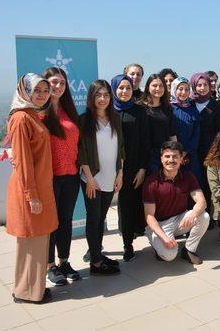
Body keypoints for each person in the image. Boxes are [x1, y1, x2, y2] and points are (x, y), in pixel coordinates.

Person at [5, 73, 58, 303]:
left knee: (38, 241)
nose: (42, 95)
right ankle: (27, 293)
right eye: (37, 90)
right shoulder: (21, 119)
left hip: (39, 188)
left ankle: (32, 288)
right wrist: (31, 195)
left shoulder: (32, 115)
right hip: (30, 191)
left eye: (45, 91)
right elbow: (24, 161)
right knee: (30, 242)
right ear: (25, 91)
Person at [40, 67, 81, 285]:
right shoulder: (39, 113)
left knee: (66, 221)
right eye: (54, 82)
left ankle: (64, 261)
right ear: (45, 84)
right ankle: (49, 266)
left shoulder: (69, 111)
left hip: (71, 176)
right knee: (51, 223)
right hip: (50, 178)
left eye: (62, 83)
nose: (58, 86)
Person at [79, 80, 124, 275]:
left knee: (101, 218)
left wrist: (120, 174)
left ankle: (97, 255)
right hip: (93, 178)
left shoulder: (115, 118)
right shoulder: (84, 120)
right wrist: (89, 178)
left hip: (111, 176)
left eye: (106, 95)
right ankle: (96, 263)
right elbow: (82, 152)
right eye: (98, 95)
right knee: (93, 218)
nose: (102, 99)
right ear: (91, 97)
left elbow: (121, 148)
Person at [142, 141, 209, 264]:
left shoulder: (188, 176)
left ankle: (188, 250)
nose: (171, 160)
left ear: (181, 159)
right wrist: (164, 238)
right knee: (169, 256)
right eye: (167, 156)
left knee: (204, 216)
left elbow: (202, 202)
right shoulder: (151, 182)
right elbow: (149, 216)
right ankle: (158, 245)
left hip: (179, 219)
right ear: (161, 159)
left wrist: (193, 213)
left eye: (175, 156)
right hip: (159, 225)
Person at [111, 75, 150, 262]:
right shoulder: (108, 111)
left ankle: (128, 245)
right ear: (114, 89)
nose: (124, 91)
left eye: (127, 88)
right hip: (109, 168)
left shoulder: (140, 111)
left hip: (133, 167)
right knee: (100, 210)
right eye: (120, 88)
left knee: (128, 206)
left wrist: (142, 168)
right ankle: (95, 249)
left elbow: (145, 141)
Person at [140, 74, 177, 173]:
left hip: (163, 155)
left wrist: (175, 154)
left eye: (161, 86)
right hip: (143, 155)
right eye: (154, 85)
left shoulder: (168, 108)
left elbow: (172, 134)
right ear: (148, 87)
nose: (158, 88)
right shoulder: (140, 108)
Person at [170, 77, 202, 184]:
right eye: (180, 89)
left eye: (187, 89)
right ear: (174, 89)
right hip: (172, 154)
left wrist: (185, 152)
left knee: (191, 184)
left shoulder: (193, 110)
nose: (183, 92)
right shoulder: (169, 109)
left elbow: (196, 133)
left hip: (190, 154)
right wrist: (177, 153)